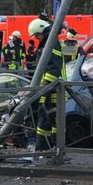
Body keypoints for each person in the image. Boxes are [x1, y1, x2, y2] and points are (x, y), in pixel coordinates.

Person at [28, 17, 65, 151]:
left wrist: (45, 85)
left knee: (54, 121)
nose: (37, 39)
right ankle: (43, 148)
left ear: (42, 31)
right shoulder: (48, 42)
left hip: (54, 89)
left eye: (37, 36)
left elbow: (54, 66)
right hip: (50, 89)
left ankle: (56, 148)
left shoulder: (51, 43)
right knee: (44, 119)